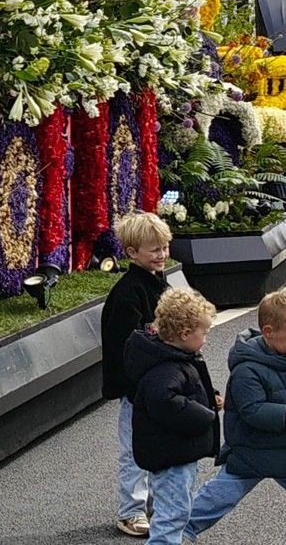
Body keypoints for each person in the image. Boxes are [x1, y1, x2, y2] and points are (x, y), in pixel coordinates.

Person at [184, 288, 286, 541]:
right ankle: (174, 529)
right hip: (252, 449)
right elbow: (253, 411)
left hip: (279, 447)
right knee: (218, 498)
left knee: (219, 495)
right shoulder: (247, 369)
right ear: (268, 332)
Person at [124, 287, 222, 545]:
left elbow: (186, 389)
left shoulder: (170, 358)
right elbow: (165, 401)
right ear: (186, 333)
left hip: (173, 453)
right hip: (172, 457)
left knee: (176, 512)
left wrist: (209, 396)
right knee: (172, 515)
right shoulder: (167, 368)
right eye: (205, 333)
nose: (206, 339)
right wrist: (206, 415)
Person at [100, 211, 172, 538]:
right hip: (138, 388)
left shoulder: (159, 283)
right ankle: (131, 511)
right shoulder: (128, 293)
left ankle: (155, 504)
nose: (162, 255)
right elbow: (124, 347)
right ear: (131, 253)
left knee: (159, 446)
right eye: (154, 249)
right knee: (135, 452)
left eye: (164, 247)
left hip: (161, 384)